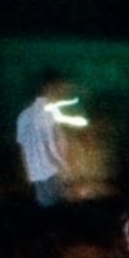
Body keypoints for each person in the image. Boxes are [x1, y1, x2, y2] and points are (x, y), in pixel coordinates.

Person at [15, 71, 79, 205]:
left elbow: (23, 149)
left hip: (36, 176)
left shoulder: (23, 115)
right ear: (49, 89)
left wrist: (28, 174)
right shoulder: (50, 112)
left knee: (46, 210)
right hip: (52, 172)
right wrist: (63, 167)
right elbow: (50, 144)